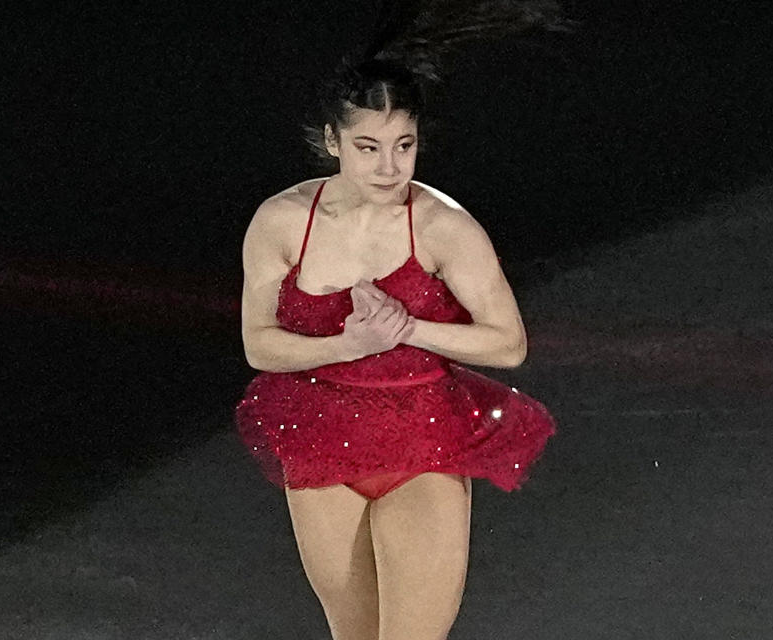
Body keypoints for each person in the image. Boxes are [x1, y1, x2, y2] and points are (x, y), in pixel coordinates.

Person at [236, 2, 570, 638]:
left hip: (423, 442)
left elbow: (508, 344)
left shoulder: (444, 227)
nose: (389, 168)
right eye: (368, 147)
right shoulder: (282, 223)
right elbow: (259, 344)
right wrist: (347, 343)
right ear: (333, 142)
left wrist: (407, 330)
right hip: (320, 434)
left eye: (404, 146)